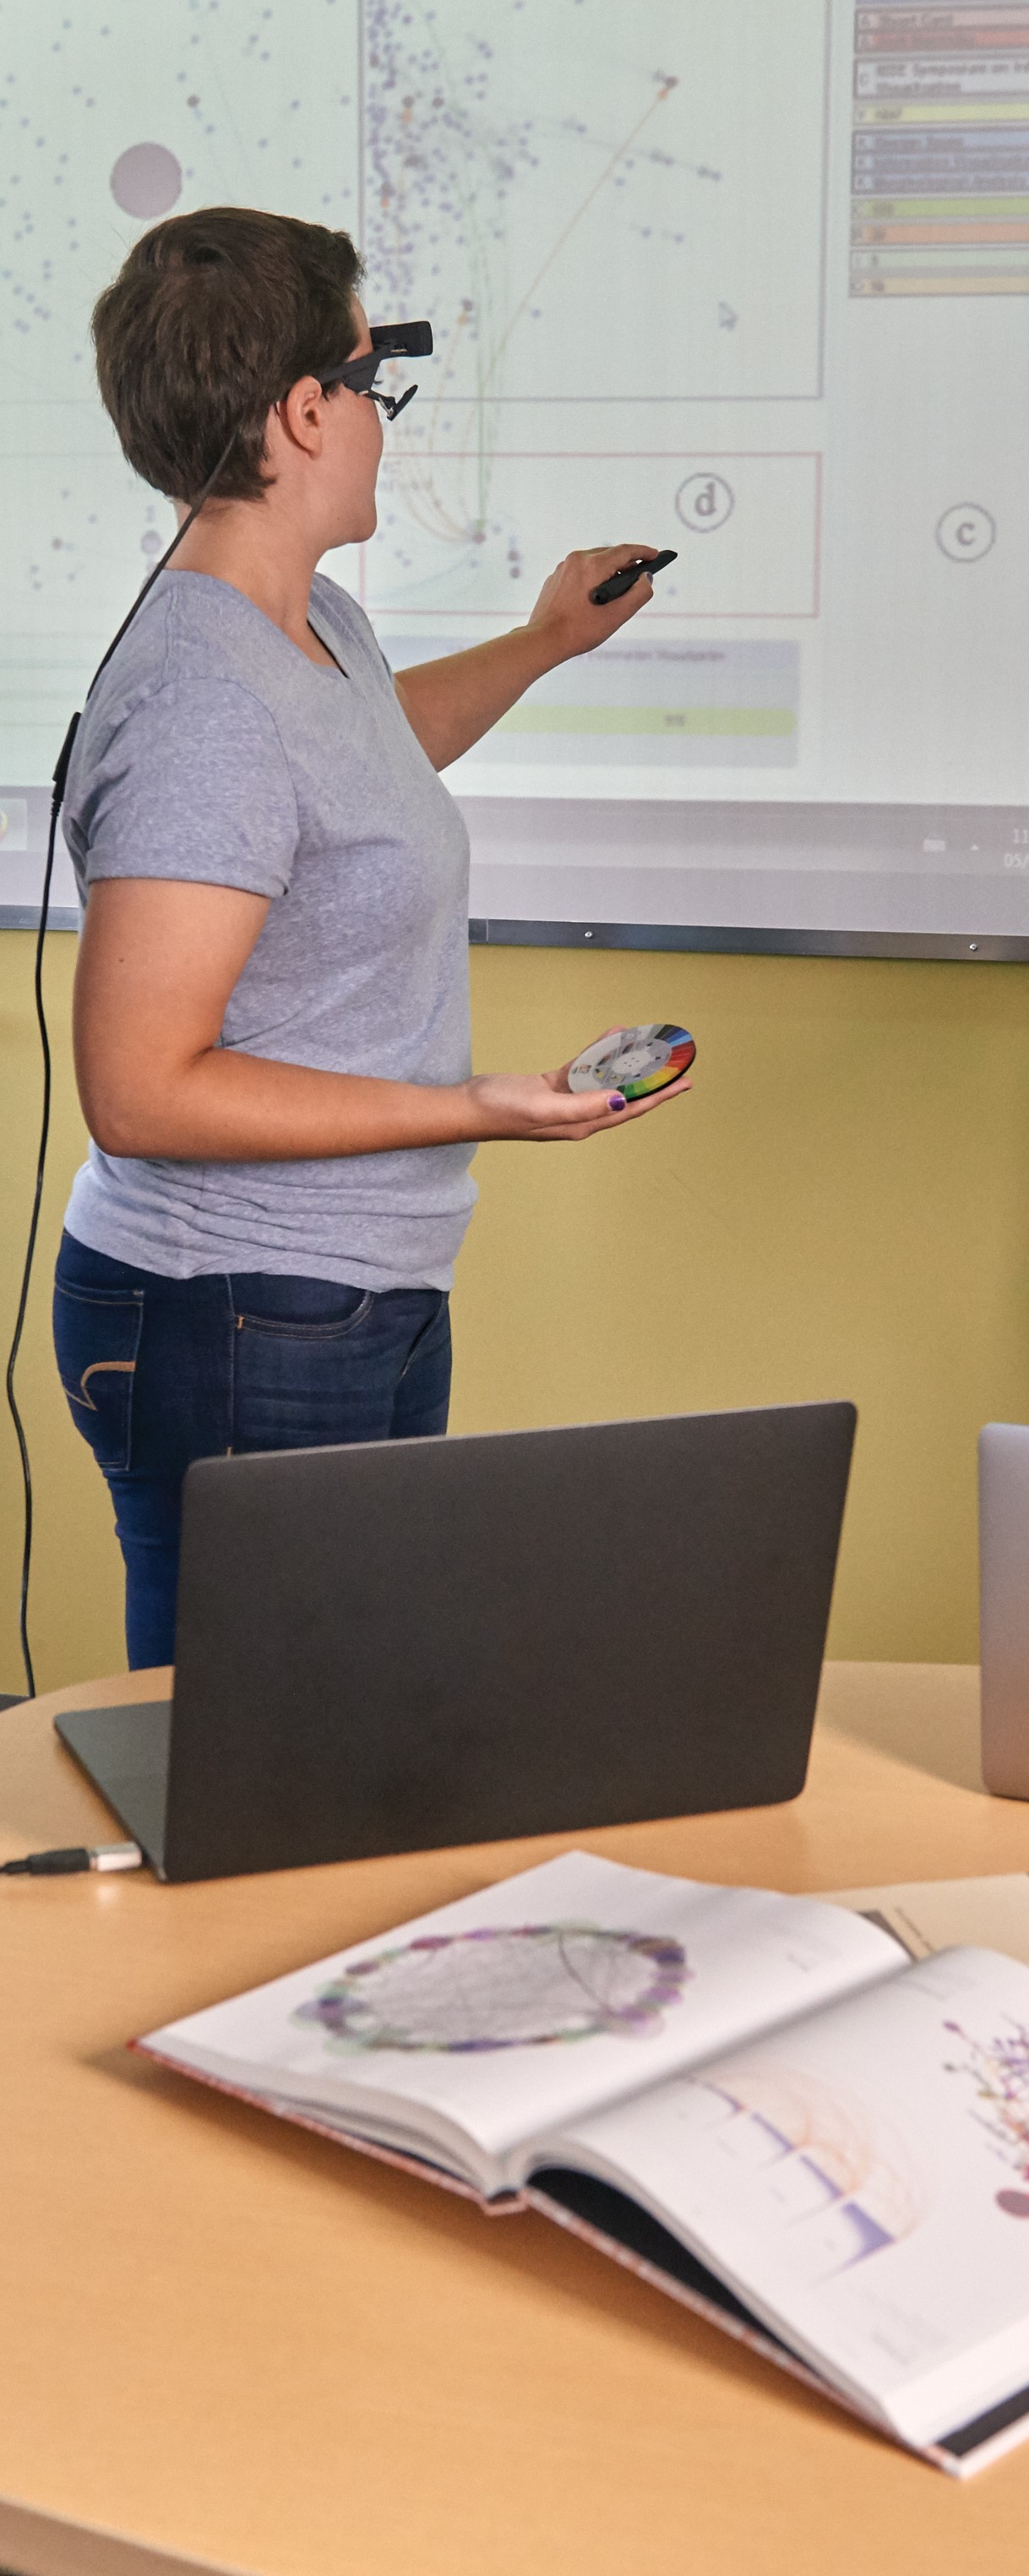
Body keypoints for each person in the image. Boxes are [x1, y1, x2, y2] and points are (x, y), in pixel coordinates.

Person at [52, 206, 683, 1669]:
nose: (385, 428)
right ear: (304, 411)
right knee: (251, 1745)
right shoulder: (206, 698)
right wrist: (475, 1108)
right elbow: (141, 1091)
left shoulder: (308, 622)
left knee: (339, 1723)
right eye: (373, 388)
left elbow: (358, 774)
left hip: (343, 1293)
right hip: (237, 1312)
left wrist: (543, 644)